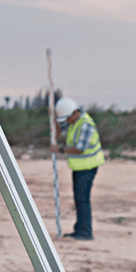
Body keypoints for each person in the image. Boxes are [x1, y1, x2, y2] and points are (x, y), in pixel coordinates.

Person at [50, 97, 105, 241]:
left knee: (83, 199)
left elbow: (80, 148)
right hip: (79, 167)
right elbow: (57, 133)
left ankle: (85, 232)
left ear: (75, 113)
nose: (67, 121)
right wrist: (53, 119)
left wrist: (59, 150)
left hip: (88, 167)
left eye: (67, 118)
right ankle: (79, 229)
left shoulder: (85, 124)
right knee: (79, 199)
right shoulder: (73, 121)